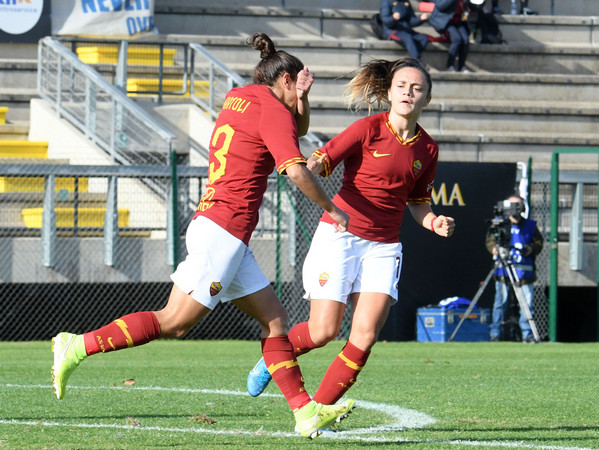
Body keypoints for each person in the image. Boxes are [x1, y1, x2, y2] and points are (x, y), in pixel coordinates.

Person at [50, 32, 355, 440]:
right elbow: (297, 168)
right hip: (224, 231)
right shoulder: (272, 110)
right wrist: (332, 209)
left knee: (276, 322)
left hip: (219, 225)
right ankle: (76, 345)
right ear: (285, 80)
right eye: (295, 85)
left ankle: (304, 412)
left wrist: (301, 98)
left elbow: (291, 125)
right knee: (175, 322)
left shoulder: (240, 96)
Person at [247, 57, 456, 404]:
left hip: (384, 247)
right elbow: (323, 159)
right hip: (341, 237)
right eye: (402, 86)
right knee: (323, 331)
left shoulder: (428, 149)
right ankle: (272, 358)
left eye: (417, 88)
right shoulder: (367, 128)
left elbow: (418, 203)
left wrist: (433, 222)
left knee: (365, 336)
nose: (408, 92)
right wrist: (312, 163)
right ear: (389, 92)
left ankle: (319, 411)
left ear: (427, 99)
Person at [486, 194, 543, 343]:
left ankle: (527, 334)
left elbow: (538, 243)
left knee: (527, 304)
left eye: (517, 206)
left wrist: (530, 249)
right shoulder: (500, 224)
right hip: (503, 271)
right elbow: (490, 241)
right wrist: (495, 249)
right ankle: (495, 333)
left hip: (524, 272)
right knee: (500, 303)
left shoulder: (530, 226)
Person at [429, 0, 472, 72]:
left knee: (465, 40)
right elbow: (440, 6)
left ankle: (462, 66)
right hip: (446, 22)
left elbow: (466, 11)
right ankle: (450, 65)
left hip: (460, 21)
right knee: (457, 39)